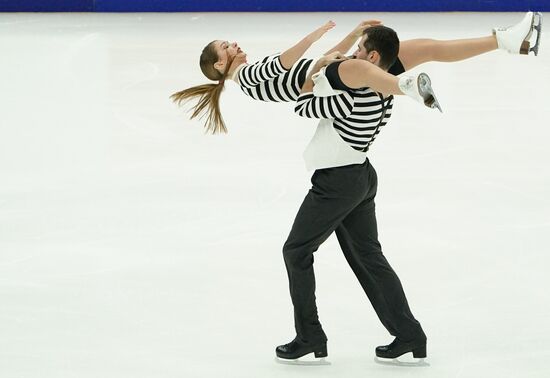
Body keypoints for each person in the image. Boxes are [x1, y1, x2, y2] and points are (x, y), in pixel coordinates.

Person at [276, 11, 542, 362]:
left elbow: (303, 101)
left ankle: (310, 336)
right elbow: (430, 48)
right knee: (369, 258)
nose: (353, 53)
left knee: (296, 251)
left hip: (338, 183)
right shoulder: (378, 72)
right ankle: (409, 334)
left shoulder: (352, 88)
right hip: (359, 178)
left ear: (371, 58)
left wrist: (325, 63)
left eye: (359, 49)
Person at [170, 20, 441, 135]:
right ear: (220, 63)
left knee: (415, 50)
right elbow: (286, 62)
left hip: (324, 77)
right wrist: (313, 35)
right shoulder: (248, 76)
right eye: (226, 47)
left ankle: (408, 86)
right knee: (389, 62)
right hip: (323, 85)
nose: (234, 44)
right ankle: (406, 87)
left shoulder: (253, 71)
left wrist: (355, 35)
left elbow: (320, 63)